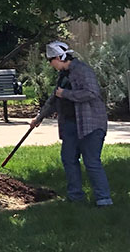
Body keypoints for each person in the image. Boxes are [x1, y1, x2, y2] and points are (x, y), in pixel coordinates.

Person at [30, 41, 112, 206]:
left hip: (90, 125)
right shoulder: (63, 75)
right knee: (68, 159)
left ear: (59, 57)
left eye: (50, 60)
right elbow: (55, 98)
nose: (50, 64)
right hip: (69, 125)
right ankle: (75, 197)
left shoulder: (82, 71)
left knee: (91, 161)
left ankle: (104, 199)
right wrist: (39, 117)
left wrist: (66, 93)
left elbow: (91, 93)